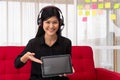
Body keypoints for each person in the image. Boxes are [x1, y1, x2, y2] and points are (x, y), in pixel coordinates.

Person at [14, 5, 72, 80]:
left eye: (55, 22)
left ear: (60, 23)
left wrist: (69, 69)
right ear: (41, 23)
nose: (51, 26)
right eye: (47, 22)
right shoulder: (33, 43)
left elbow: (66, 63)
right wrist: (26, 57)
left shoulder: (66, 43)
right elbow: (17, 64)